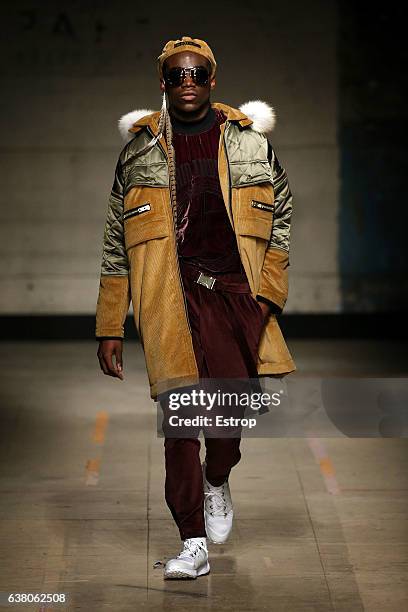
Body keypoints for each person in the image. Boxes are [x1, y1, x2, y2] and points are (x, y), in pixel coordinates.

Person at [95, 35, 296, 579]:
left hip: (234, 295)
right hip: (167, 296)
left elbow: (281, 216)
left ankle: (217, 479)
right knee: (181, 421)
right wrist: (110, 323)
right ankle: (191, 540)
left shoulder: (251, 144)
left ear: (213, 81)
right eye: (177, 75)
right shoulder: (137, 152)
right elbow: (117, 239)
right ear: (162, 82)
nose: (188, 83)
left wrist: (268, 294)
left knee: (225, 421)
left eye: (198, 74)